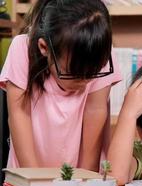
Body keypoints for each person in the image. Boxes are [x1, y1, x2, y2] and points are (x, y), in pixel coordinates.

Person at [0, 0, 121, 171]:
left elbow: (95, 112)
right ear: (44, 47)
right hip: (27, 180)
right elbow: (20, 114)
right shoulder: (22, 48)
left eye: (92, 73)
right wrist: (34, 181)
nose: (85, 81)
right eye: (74, 72)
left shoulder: (101, 54)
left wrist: (85, 182)